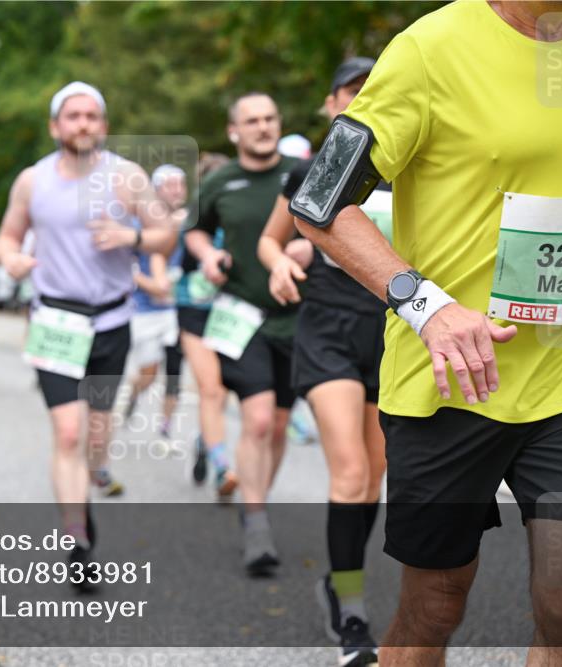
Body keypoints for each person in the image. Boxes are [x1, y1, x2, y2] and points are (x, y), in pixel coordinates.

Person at [288, 2, 562, 664]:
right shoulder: (428, 50)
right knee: (435, 605)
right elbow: (319, 203)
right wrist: (427, 306)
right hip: (452, 379)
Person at [0, 81, 178, 586]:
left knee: (97, 434)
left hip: (111, 323)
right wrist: (11, 259)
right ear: (55, 126)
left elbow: (166, 235)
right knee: (69, 432)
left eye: (91, 116)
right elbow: (8, 236)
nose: (83, 124)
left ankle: (92, 476)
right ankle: (77, 539)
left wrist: (131, 236)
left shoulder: (127, 176)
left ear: (103, 125)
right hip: (54, 321)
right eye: (73, 115)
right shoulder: (31, 181)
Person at [260, 56, 387, 666]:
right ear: (332, 103)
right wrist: (280, 264)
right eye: (351, 90)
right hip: (329, 325)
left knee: (375, 478)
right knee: (351, 473)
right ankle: (353, 614)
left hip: (391, 331)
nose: (361, 98)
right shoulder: (316, 169)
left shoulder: (411, 167)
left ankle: (340, 582)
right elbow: (272, 238)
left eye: (373, 88)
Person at [184, 92, 301, 576]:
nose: (263, 126)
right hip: (243, 314)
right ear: (234, 131)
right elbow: (193, 229)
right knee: (257, 419)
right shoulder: (220, 181)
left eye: (270, 118)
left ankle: (258, 501)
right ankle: (256, 523)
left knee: (279, 423)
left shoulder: (301, 173)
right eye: (252, 120)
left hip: (297, 315)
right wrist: (209, 255)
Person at [176, 154, 237, 496]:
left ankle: (204, 441)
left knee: (221, 391)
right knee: (210, 389)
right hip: (194, 311)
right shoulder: (191, 221)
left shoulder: (242, 217)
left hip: (232, 314)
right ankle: (222, 467)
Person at [124, 166, 187, 445]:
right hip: (145, 310)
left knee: (174, 372)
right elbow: (126, 265)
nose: (177, 190)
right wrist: (150, 285)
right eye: (170, 185)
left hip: (177, 310)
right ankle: (133, 394)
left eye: (181, 185)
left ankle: (165, 429)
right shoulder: (140, 223)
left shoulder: (189, 222)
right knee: (148, 374)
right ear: (156, 190)